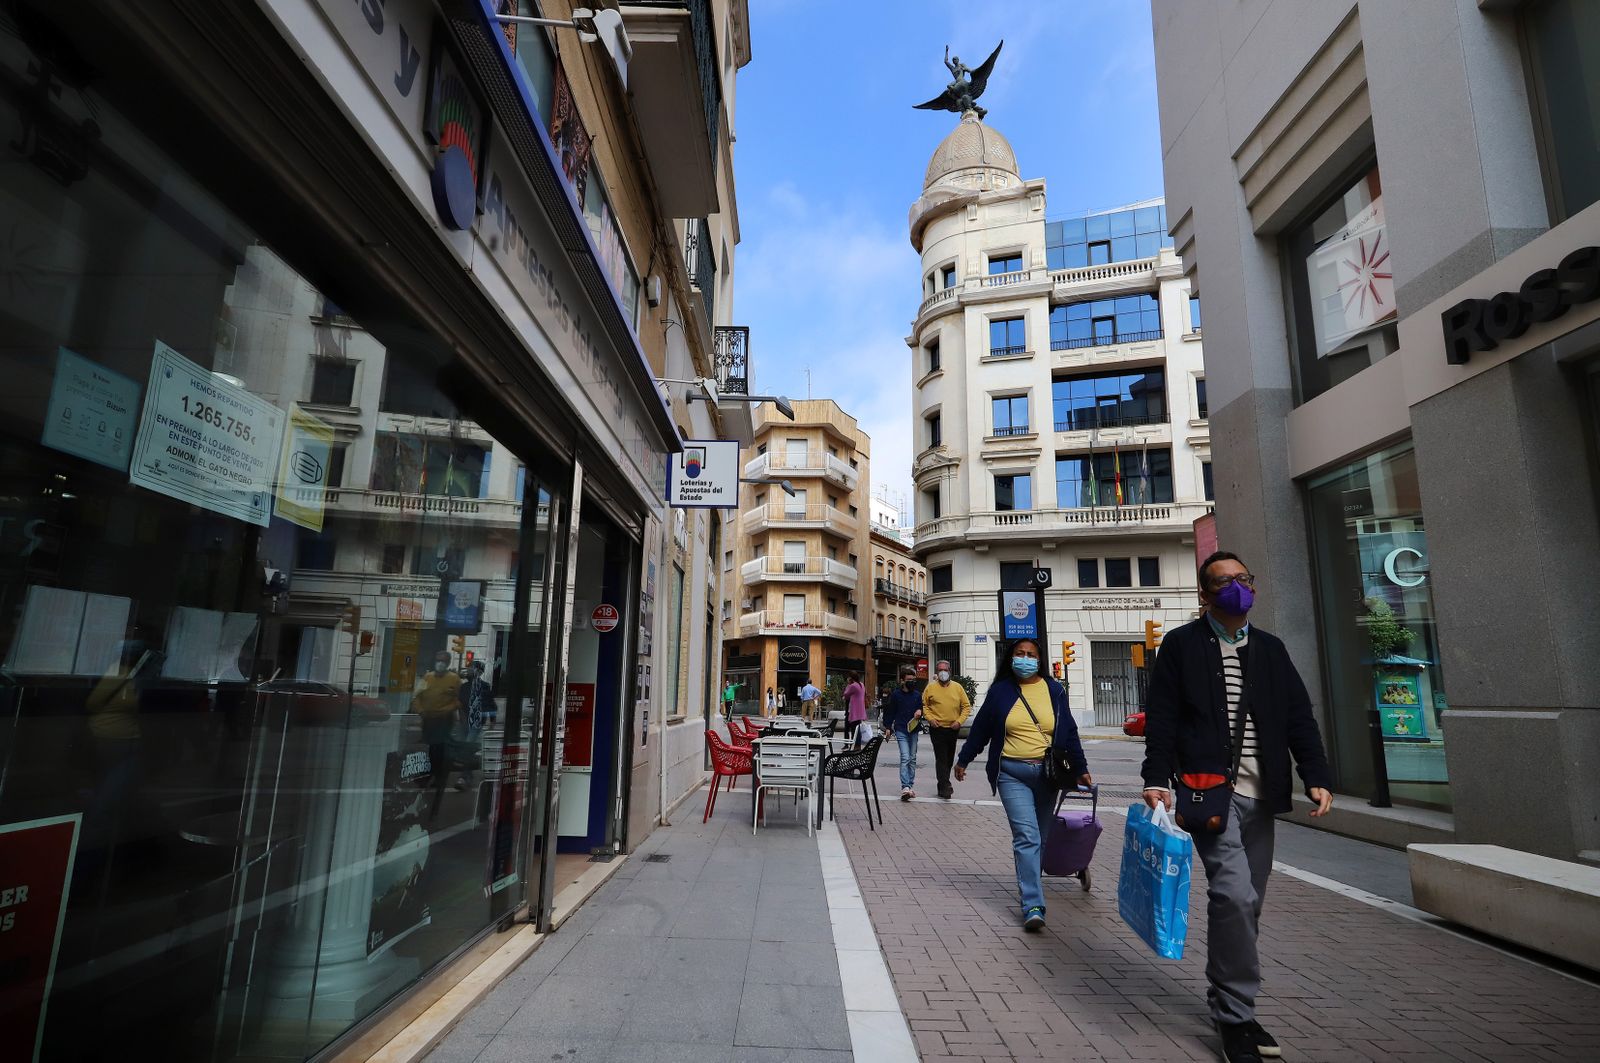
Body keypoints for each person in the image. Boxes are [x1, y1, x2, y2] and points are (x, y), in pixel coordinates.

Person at [1141, 551, 1334, 1063]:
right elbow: (1161, 717)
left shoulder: (1271, 649)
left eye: (1243, 579)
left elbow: (1298, 717)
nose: (1236, 588)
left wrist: (1315, 776)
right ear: (1204, 594)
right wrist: (1156, 778)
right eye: (1223, 581)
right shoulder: (1182, 645)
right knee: (1233, 896)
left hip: (1262, 795)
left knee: (1250, 904)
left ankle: (1227, 995)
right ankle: (1236, 1018)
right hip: (1208, 793)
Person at [955, 638, 1090, 931]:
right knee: (1027, 837)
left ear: (1039, 659)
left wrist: (1081, 768)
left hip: (1047, 775)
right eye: (1019, 654)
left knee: (1040, 839)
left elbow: (1069, 731)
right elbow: (981, 729)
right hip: (1011, 773)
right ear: (1010, 657)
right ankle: (1033, 904)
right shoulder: (1000, 692)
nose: (1025, 659)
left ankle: (1030, 887)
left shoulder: (1054, 690)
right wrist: (964, 759)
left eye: (1031, 655)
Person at [413, 650, 463, 817]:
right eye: (438, 660)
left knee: (438, 746)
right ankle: (434, 773)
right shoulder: (427, 678)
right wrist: (421, 711)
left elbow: (458, 701)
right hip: (428, 718)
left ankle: (436, 775)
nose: (440, 663)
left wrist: (446, 710)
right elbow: (417, 697)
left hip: (444, 719)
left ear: (448, 663)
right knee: (432, 746)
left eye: (443, 661)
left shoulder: (454, 679)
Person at [922, 659, 971, 799]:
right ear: (937, 672)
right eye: (940, 670)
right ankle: (945, 786)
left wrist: (959, 721)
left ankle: (941, 784)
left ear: (950, 671)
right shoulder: (930, 688)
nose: (943, 672)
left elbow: (966, 706)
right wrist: (930, 719)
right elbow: (925, 705)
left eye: (945, 670)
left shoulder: (958, 688)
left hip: (953, 728)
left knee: (949, 758)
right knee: (941, 757)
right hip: (937, 728)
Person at [884, 666, 924, 800]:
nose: (912, 682)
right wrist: (888, 727)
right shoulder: (896, 695)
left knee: (912, 758)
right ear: (902, 680)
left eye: (913, 679)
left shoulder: (917, 695)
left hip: (914, 730)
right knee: (905, 757)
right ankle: (905, 786)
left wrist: (920, 712)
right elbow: (890, 712)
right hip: (901, 729)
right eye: (909, 679)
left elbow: (921, 709)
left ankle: (910, 786)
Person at [456, 659, 495, 791]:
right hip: (464, 723)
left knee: (467, 748)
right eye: (469, 668)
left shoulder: (485, 686)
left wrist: (492, 721)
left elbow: (490, 704)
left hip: (476, 723)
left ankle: (463, 778)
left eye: (472, 668)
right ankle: (469, 775)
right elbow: (460, 705)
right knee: (466, 750)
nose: (469, 670)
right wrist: (462, 719)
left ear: (479, 671)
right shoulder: (464, 687)